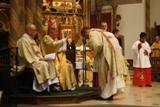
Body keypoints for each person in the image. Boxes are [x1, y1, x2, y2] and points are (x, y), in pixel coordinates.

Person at [81, 27, 126, 100]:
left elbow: (97, 45)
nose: (86, 38)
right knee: (112, 73)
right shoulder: (101, 31)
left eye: (84, 36)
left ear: (86, 32)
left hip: (106, 55)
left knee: (106, 74)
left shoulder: (93, 33)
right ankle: (111, 93)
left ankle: (106, 95)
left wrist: (92, 49)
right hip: (113, 53)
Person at [16, 23, 60, 94]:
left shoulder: (31, 40)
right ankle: (42, 88)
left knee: (50, 62)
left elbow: (37, 52)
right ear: (29, 31)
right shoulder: (23, 40)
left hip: (34, 59)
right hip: (28, 62)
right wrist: (38, 59)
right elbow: (25, 54)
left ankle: (51, 85)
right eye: (34, 30)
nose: (36, 32)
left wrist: (42, 58)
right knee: (43, 65)